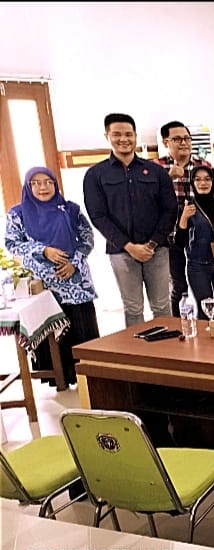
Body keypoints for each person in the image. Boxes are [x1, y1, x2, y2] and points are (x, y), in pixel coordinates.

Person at [6, 167, 100, 387]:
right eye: (36, 183)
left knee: (81, 327)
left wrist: (74, 263)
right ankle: (57, 377)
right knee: (50, 331)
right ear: (28, 186)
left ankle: (88, 377)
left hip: (75, 282)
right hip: (44, 286)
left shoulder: (71, 209)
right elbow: (12, 244)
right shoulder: (18, 214)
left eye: (48, 182)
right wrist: (43, 250)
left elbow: (87, 238)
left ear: (55, 185)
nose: (43, 187)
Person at [83, 113, 176, 327]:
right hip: (121, 251)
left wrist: (152, 244)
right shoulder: (95, 175)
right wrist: (129, 246)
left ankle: (168, 347)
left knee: (162, 306)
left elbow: (170, 209)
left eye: (128, 134)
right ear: (107, 136)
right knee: (133, 309)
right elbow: (98, 216)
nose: (123, 139)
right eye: (117, 134)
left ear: (135, 136)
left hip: (157, 249)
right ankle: (138, 348)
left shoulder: (156, 171)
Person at [155, 120, 213, 317]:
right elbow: (146, 200)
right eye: (177, 139)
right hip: (171, 237)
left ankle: (207, 322)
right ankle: (179, 325)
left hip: (201, 237)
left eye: (187, 138)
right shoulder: (157, 168)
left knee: (206, 284)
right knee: (178, 286)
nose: (184, 143)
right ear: (166, 142)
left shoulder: (203, 165)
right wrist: (167, 178)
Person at [174, 166, 214, 319]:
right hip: (198, 266)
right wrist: (184, 218)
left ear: (213, 181)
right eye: (197, 179)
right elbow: (179, 242)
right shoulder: (188, 206)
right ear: (192, 183)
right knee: (205, 312)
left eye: (207, 179)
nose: (203, 183)